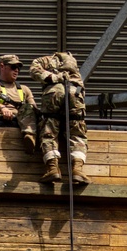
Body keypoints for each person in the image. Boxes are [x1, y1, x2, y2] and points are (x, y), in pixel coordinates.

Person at [30, 51, 89, 186]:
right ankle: (77, 170)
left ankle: (52, 169)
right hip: (75, 92)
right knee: (77, 131)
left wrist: (53, 77)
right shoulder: (72, 61)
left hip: (54, 91)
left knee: (49, 130)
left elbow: (34, 70)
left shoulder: (45, 59)